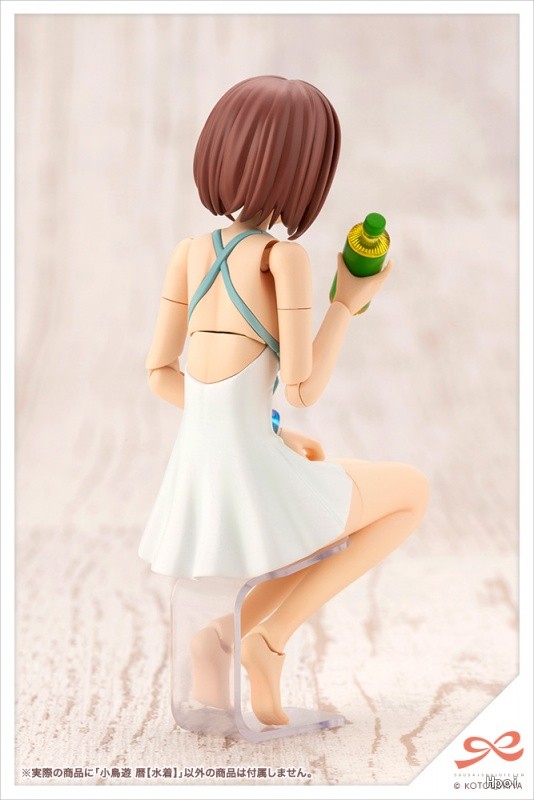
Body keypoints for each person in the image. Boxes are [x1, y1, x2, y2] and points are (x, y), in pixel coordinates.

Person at [139, 76, 429, 727]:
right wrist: (346, 303)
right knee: (410, 492)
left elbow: (161, 373)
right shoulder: (282, 259)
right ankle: (266, 640)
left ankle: (219, 637)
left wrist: (259, 426)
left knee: (315, 525)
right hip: (250, 470)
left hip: (200, 473)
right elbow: (303, 388)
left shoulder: (190, 253)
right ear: (305, 174)